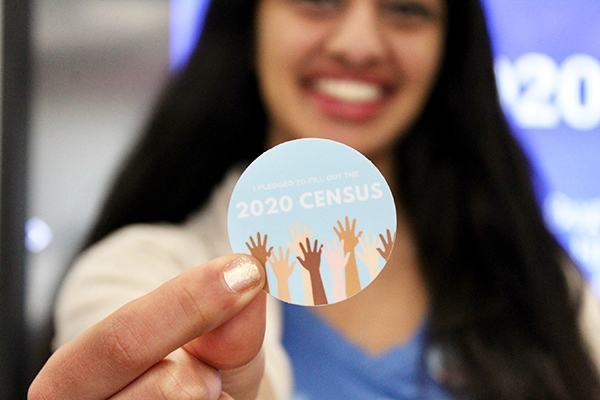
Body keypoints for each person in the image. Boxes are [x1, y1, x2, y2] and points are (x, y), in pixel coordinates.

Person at [29, 0, 600, 399]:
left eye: (406, 8)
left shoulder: (540, 284)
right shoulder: (140, 271)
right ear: (249, 27)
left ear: (449, 51)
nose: (358, 45)